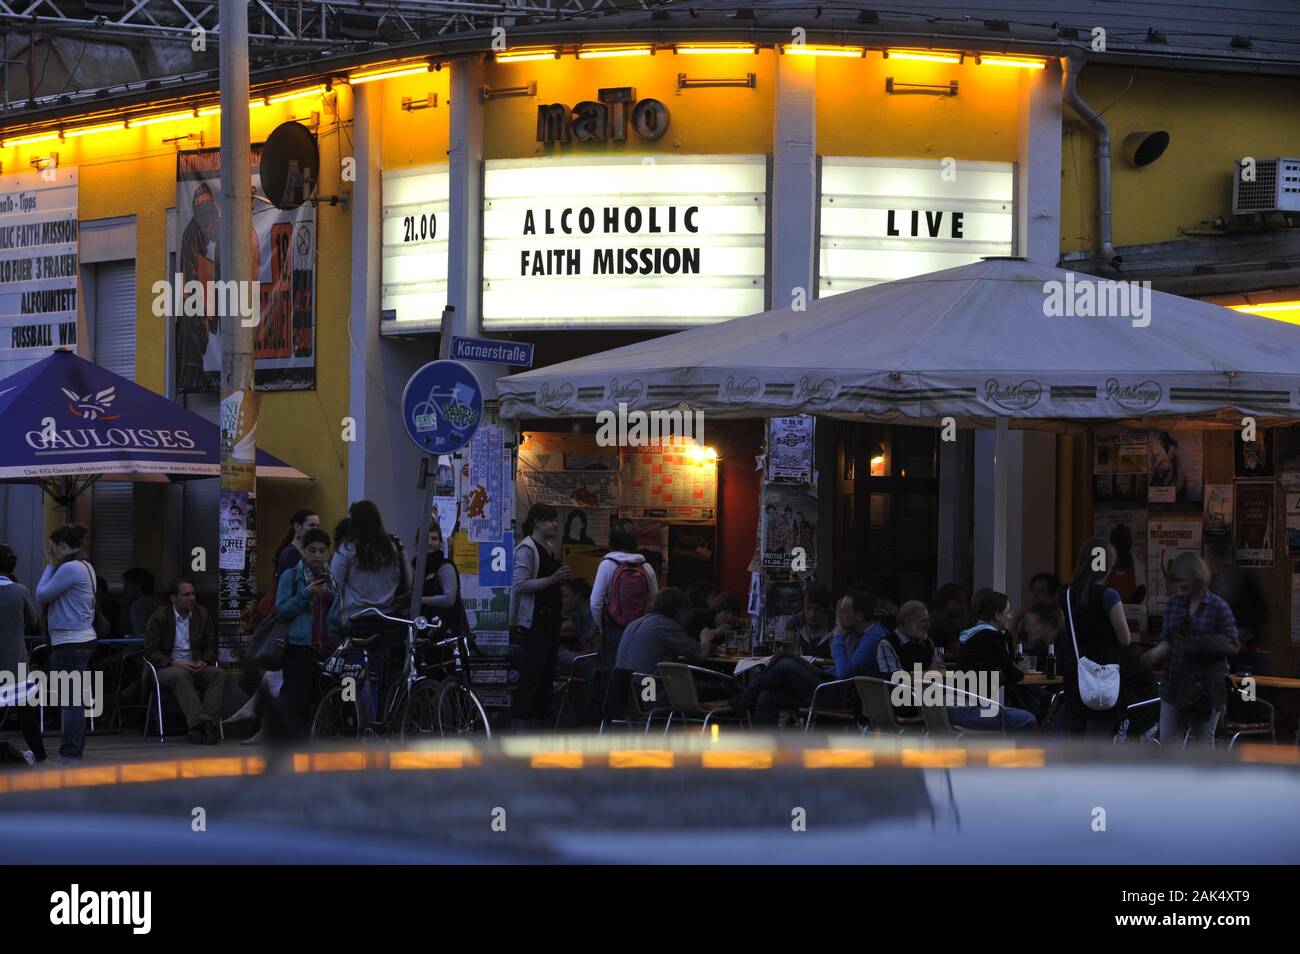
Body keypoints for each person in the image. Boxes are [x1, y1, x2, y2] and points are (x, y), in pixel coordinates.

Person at [738, 589, 884, 726]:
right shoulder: (854, 632)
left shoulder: (873, 638)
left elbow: (844, 674)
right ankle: (763, 748)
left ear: (859, 615)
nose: (839, 618)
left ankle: (747, 695)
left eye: (844, 612)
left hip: (844, 695)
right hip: (829, 684)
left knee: (786, 665)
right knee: (767, 695)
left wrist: (838, 639)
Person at [1142, 551, 1240, 746]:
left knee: (1203, 743)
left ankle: (1207, 777)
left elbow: (1233, 645)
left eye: (1182, 579)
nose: (1178, 584)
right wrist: (1156, 652)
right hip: (1173, 685)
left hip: (1204, 689)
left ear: (1196, 576)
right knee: (1169, 743)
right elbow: (1168, 639)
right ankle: (1174, 778)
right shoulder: (1173, 604)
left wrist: (1201, 643)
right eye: (1175, 579)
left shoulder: (1217, 607)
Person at [35, 524, 99, 763]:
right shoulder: (85, 566)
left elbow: (42, 594)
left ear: (61, 546)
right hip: (81, 639)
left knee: (70, 701)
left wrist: (50, 564)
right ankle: (72, 749)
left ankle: (70, 752)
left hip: (69, 642)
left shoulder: (70, 568)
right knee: (73, 699)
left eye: (52, 549)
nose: (51, 553)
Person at [1057, 537, 1133, 737]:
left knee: (1077, 732)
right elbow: (1125, 639)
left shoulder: (1066, 594)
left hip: (1076, 670)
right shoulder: (1109, 596)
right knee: (1098, 738)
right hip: (1103, 673)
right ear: (1107, 565)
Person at [143, 578, 225, 745]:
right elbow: (150, 651)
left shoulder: (202, 614)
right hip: (166, 668)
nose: (192, 598)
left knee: (218, 674)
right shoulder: (160, 617)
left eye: (193, 594)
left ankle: (207, 725)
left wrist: (204, 660)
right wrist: (173, 662)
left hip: (195, 666)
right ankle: (201, 725)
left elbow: (211, 645)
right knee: (180, 675)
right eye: (186, 594)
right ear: (173, 598)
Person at [510, 504, 570, 730]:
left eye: (555, 520)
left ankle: (540, 726)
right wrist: (552, 580)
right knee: (531, 676)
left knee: (546, 676)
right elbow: (519, 585)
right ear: (536, 521)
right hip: (534, 622)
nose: (555, 524)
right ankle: (522, 728)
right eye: (549, 520)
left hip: (550, 620)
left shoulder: (550, 547)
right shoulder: (527, 549)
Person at [275, 528, 336, 737]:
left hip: (325, 648)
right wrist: (305, 595)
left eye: (322, 550)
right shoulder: (291, 576)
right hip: (298, 647)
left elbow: (335, 610)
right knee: (297, 705)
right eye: (312, 550)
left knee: (321, 703)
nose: (317, 556)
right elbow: (281, 610)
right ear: (304, 552)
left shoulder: (331, 578)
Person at [952, 589, 1038, 731]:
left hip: (952, 708)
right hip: (971, 710)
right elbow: (1014, 675)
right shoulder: (991, 636)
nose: (1010, 616)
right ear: (997, 615)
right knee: (1028, 719)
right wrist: (1019, 669)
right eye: (1008, 612)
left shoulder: (972, 633)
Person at [329, 500, 409, 630]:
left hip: (357, 617)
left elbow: (334, 585)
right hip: (390, 616)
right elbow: (409, 579)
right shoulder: (394, 546)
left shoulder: (347, 550)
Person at [0, 544, 45, 764]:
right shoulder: (21, 591)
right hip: (15, 664)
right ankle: (41, 757)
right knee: (27, 716)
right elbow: (34, 622)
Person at [590, 518, 657, 663]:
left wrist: (602, 628)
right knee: (638, 670)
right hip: (640, 628)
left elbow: (595, 602)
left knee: (614, 673)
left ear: (611, 541)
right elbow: (655, 602)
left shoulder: (607, 565)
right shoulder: (646, 567)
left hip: (614, 627)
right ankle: (641, 687)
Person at [614, 587, 715, 675]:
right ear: (680, 609)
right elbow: (700, 655)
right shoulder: (666, 625)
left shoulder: (635, 623)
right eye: (685, 611)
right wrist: (706, 638)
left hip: (625, 689)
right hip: (649, 690)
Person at [1207, 541, 1269, 674]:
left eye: (1219, 559)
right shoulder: (1211, 582)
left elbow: (1260, 612)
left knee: (1247, 691)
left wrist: (1248, 634)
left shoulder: (1243, 579)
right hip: (1220, 649)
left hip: (1244, 648)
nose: (1216, 563)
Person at [875, 600, 937, 719]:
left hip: (929, 697)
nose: (928, 625)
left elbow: (937, 669)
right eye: (924, 621)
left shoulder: (927, 642)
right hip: (903, 702)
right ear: (908, 622)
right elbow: (894, 680)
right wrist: (927, 675)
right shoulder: (888, 644)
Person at [413, 520, 469, 636]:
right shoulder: (415, 565)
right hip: (422, 628)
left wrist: (419, 600)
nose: (429, 543)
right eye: (425, 538)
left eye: (434, 539)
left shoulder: (445, 567)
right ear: (418, 542)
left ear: (440, 542)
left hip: (443, 632)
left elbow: (449, 600)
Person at [783, 583, 834, 659]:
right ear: (803, 607)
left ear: (825, 609)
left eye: (817, 609)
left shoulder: (835, 625)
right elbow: (788, 657)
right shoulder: (794, 624)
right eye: (808, 608)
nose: (812, 614)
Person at [1012, 572, 1060, 644]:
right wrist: (1017, 619)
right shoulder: (1027, 617)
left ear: (1053, 596)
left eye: (1041, 591)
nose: (1035, 595)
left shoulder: (1058, 620)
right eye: (1033, 590)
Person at [119, 567, 165, 637]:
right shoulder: (160, 602)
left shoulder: (139, 605)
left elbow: (140, 636)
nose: (124, 589)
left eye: (127, 585)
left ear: (139, 586)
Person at [275, 509, 322, 575]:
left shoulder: (305, 553)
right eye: (311, 525)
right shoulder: (290, 555)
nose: (316, 530)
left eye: (317, 526)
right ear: (297, 527)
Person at [927, 583, 970, 654]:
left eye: (965, 602)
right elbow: (958, 653)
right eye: (959, 602)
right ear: (944, 601)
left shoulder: (931, 617)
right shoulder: (946, 622)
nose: (964, 607)